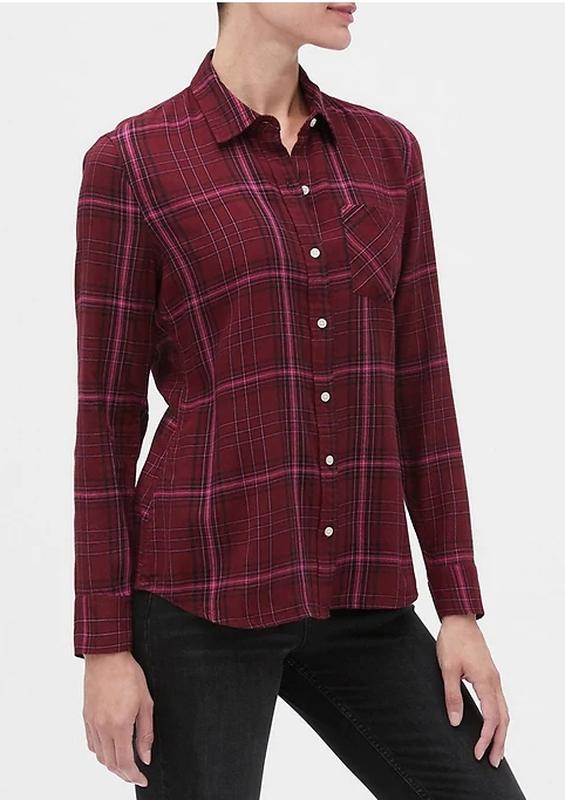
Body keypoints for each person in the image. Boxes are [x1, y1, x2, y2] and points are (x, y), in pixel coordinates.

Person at [72, 3, 527, 798]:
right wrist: (105, 645)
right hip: (199, 594)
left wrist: (459, 608)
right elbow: (105, 420)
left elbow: (422, 386)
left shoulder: (386, 153)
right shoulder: (135, 161)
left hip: (360, 591)